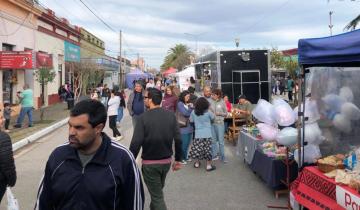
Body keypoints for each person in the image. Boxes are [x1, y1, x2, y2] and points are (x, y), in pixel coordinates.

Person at [35, 99, 144, 210]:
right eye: (70, 126)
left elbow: (134, 205)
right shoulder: (58, 156)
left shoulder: (123, 159)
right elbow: (42, 203)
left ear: (98, 128)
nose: (71, 132)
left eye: (79, 128)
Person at [130, 87, 182, 210]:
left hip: (150, 165)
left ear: (151, 99)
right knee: (157, 193)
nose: (144, 100)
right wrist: (178, 159)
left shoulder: (143, 118)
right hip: (166, 163)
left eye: (145, 98)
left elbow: (136, 143)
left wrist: (129, 162)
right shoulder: (170, 116)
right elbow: (178, 139)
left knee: (157, 197)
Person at [189, 97, 216, 171]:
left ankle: (197, 164)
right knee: (208, 150)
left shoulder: (193, 112)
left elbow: (191, 121)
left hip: (198, 134)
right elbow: (213, 118)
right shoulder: (208, 112)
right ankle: (208, 166)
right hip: (207, 133)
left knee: (198, 149)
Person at [0, 114, 16, 203]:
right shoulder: (3, 137)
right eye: (1, 118)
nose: (4, 119)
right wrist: (12, 180)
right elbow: (7, 163)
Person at [210, 89, 228, 163]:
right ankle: (214, 155)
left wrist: (220, 114)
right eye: (212, 94)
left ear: (218, 95)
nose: (212, 96)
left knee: (221, 141)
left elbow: (226, 113)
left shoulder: (222, 102)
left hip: (220, 124)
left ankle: (223, 157)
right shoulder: (210, 101)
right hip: (212, 124)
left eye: (214, 94)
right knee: (213, 141)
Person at [177, 90, 194, 164]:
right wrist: (191, 107)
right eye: (186, 97)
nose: (188, 98)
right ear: (183, 97)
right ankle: (181, 159)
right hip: (183, 127)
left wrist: (191, 107)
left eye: (189, 97)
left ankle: (185, 157)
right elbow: (186, 113)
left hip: (190, 127)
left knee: (187, 144)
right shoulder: (180, 104)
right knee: (184, 144)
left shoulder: (187, 104)